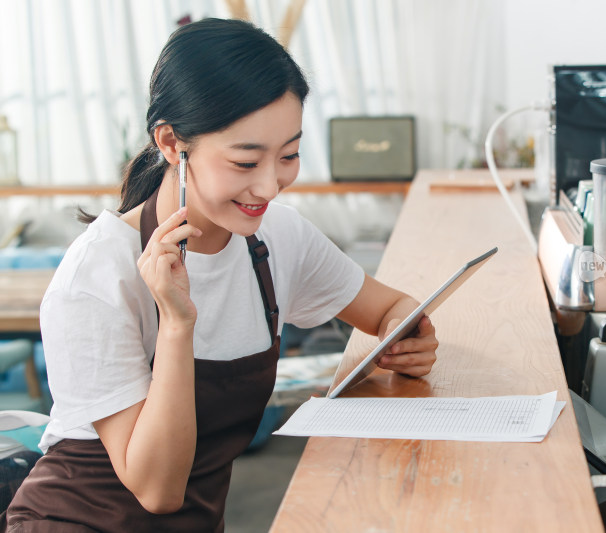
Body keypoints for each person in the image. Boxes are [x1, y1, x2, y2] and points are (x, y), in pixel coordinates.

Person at [3, 18, 437, 532]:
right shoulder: (97, 276)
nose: (271, 185)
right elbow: (159, 490)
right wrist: (177, 323)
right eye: (245, 161)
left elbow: (390, 307)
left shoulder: (279, 237)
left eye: (289, 155)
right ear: (170, 143)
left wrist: (407, 337)